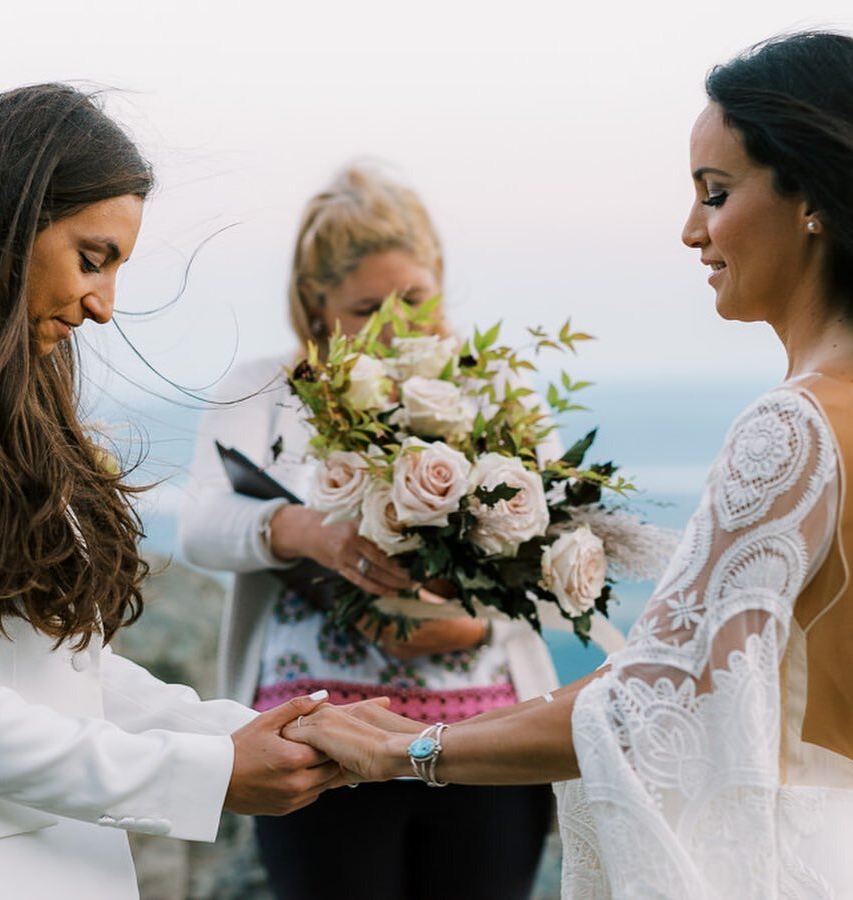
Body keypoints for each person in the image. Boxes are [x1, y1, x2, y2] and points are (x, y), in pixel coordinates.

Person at [285, 31, 853, 899]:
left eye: (717, 192)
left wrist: (404, 750)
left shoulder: (796, 427)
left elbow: (655, 705)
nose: (692, 229)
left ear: (811, 194)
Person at [179, 165, 622, 899]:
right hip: (315, 746)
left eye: (413, 298)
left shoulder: (497, 393)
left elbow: (569, 556)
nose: (396, 327)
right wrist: (300, 529)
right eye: (365, 307)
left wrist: (474, 627)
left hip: (486, 741)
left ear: (440, 281)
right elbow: (199, 528)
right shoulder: (262, 388)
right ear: (315, 305)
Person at [0, 83, 344, 900]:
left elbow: (68, 679)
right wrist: (209, 775)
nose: (105, 307)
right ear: (2, 224)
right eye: (91, 258)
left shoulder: (4, 425)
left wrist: (253, 732)